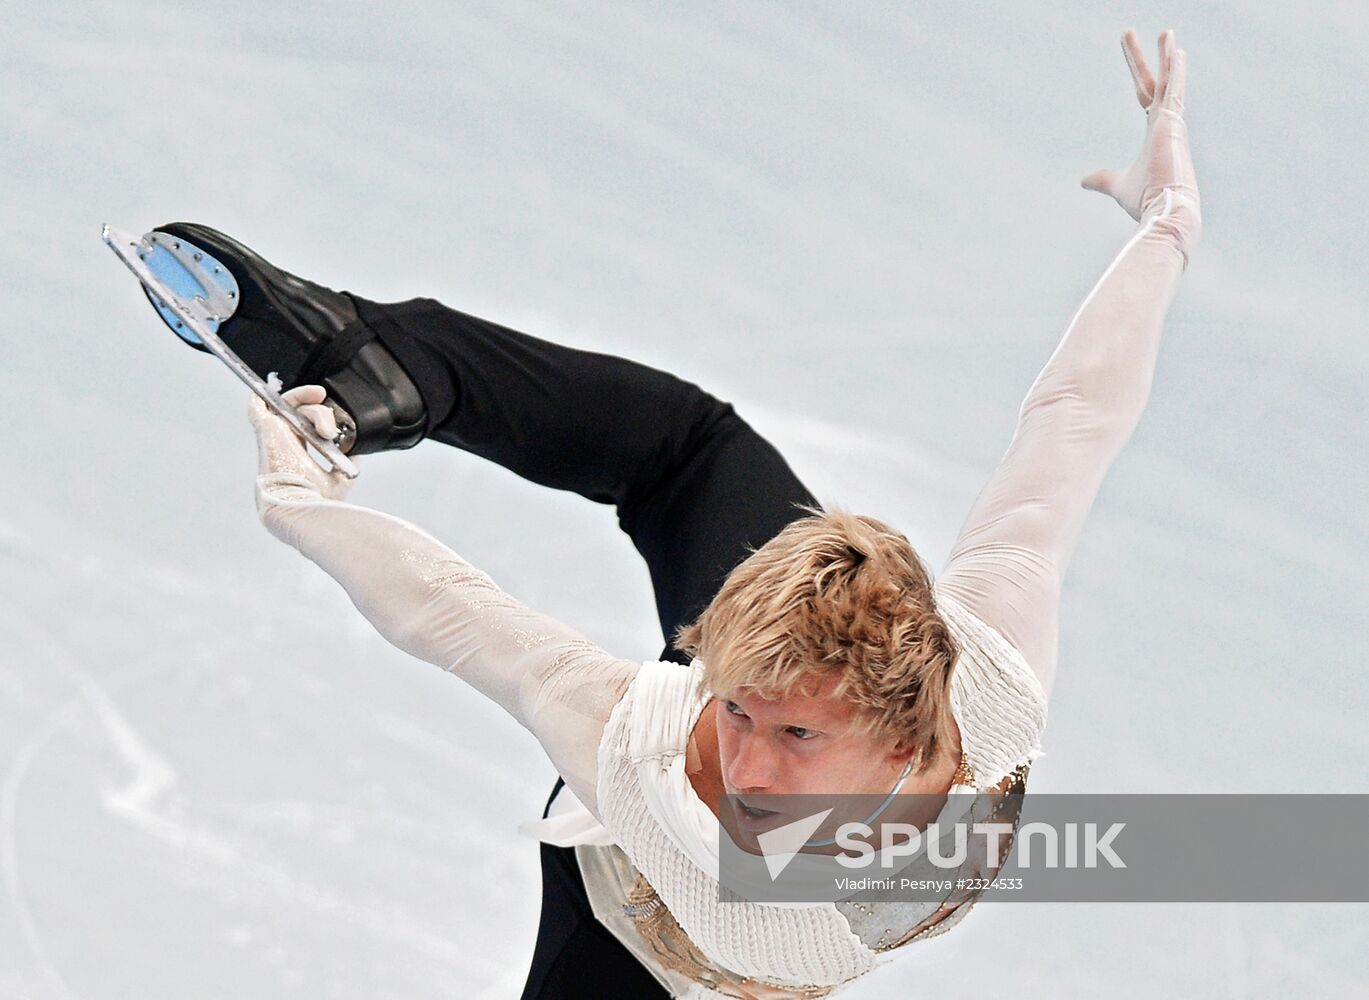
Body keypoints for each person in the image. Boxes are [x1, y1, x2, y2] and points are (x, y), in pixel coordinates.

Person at [151, 27, 1200, 999]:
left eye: (794, 732)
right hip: (636, 798)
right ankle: (381, 365)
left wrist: (304, 512)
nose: (744, 759)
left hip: (632, 931)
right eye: (736, 708)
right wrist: (1168, 223)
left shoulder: (755, 849)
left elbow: (460, 619)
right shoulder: (662, 731)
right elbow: (1071, 418)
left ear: (898, 740)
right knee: (693, 451)